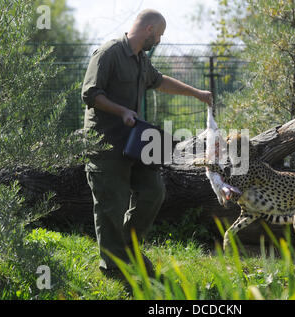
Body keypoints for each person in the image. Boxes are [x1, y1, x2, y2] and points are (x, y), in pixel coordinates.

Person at [81, 9, 212, 277]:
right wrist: (122, 111)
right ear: (149, 29)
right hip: (106, 144)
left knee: (153, 191)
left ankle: (128, 248)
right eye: (160, 34)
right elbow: (90, 93)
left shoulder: (141, 60)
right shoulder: (109, 53)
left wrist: (197, 93)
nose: (160, 41)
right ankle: (113, 270)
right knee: (111, 206)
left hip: (134, 142)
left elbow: (160, 81)